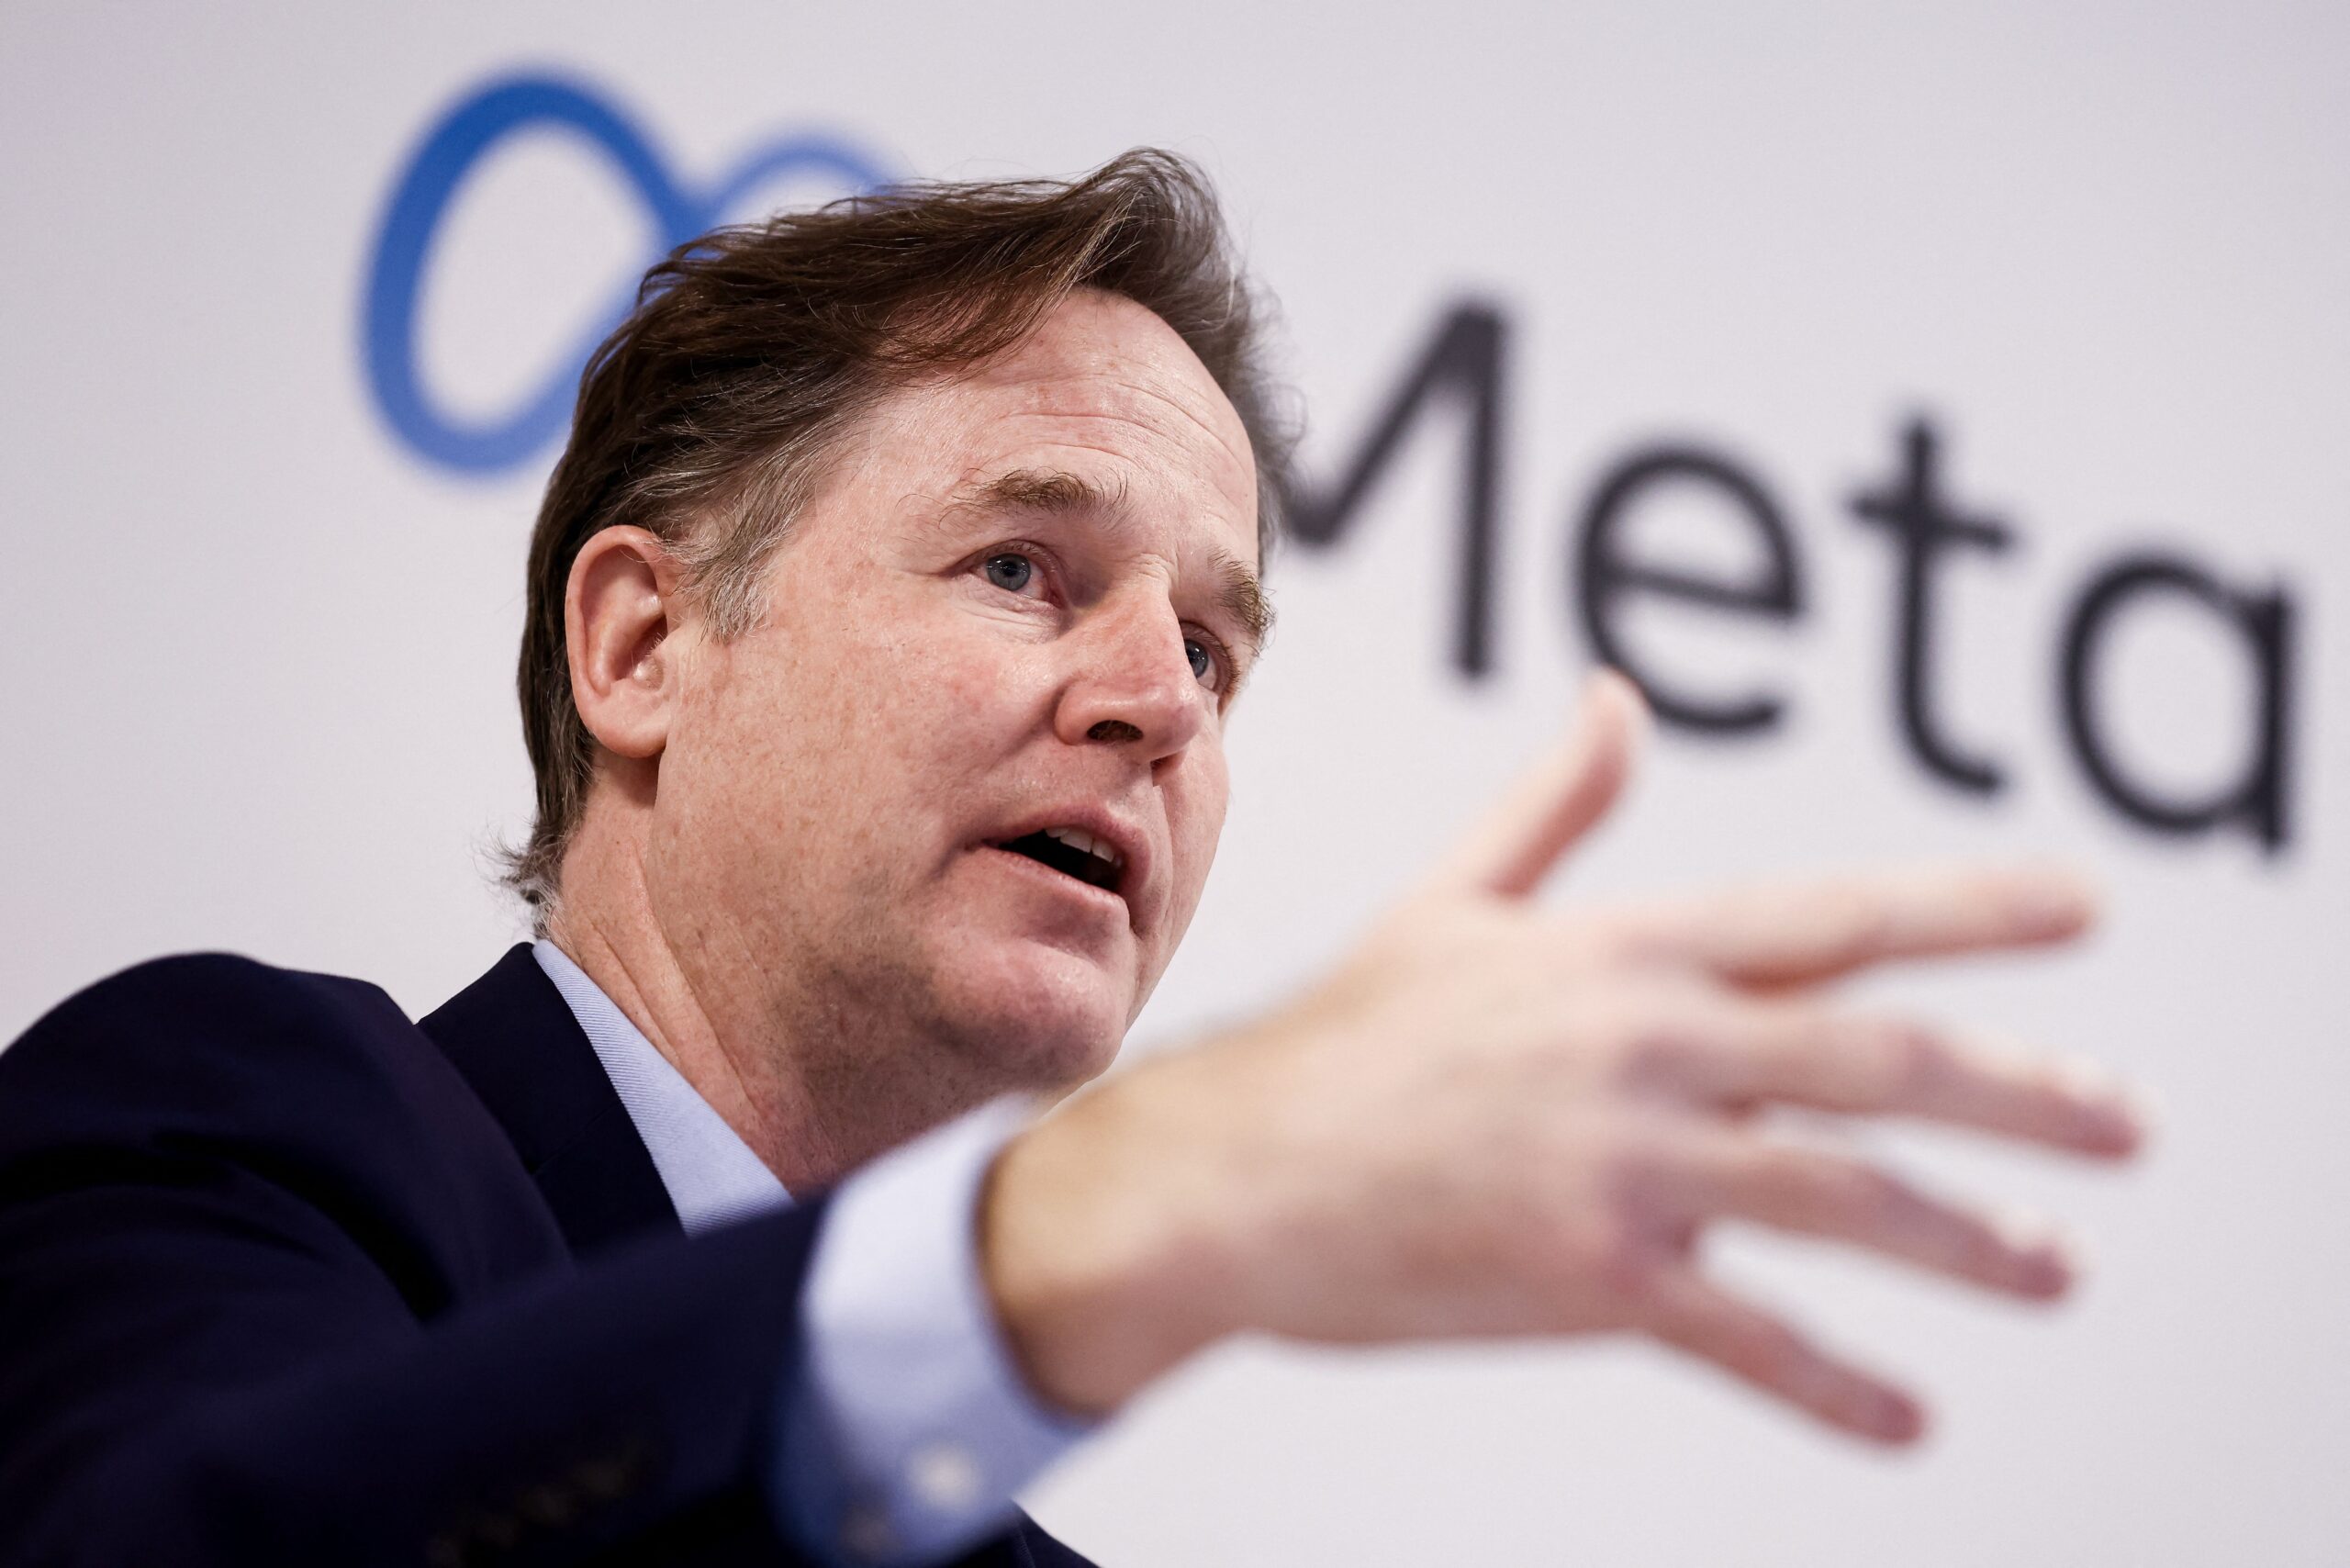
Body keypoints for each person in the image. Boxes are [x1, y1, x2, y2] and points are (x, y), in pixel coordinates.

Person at [0, 151, 2144, 1568]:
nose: (1164, 697)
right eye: (1028, 564)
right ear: (645, 643)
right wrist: (1130, 1203)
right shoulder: (238, 1120)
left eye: (1212, 639)